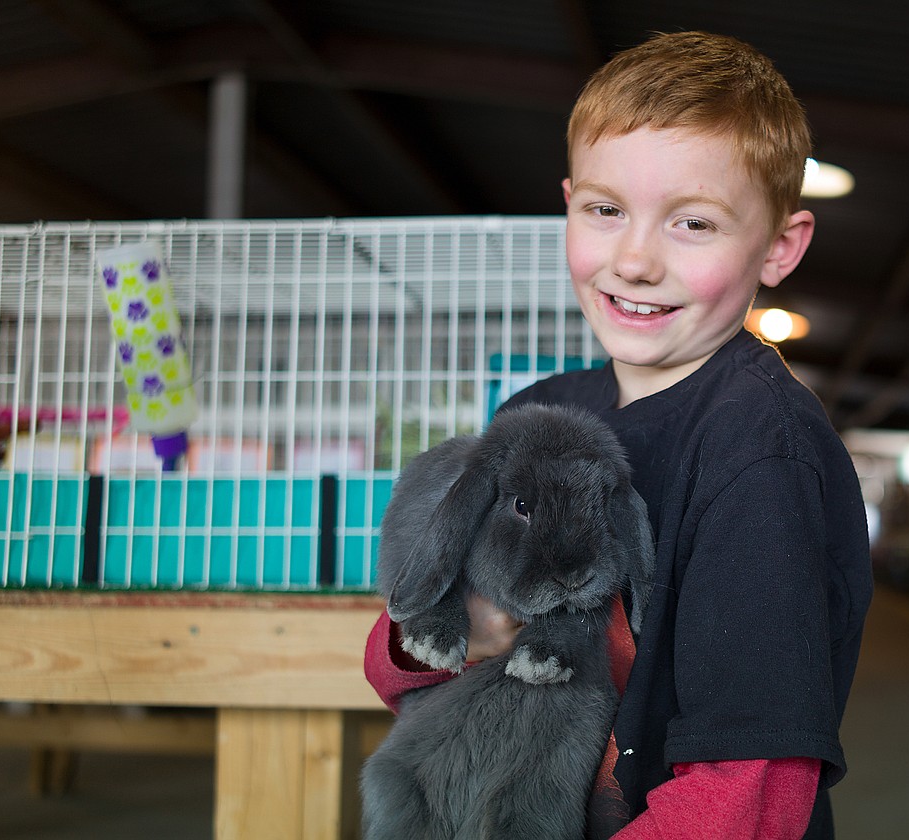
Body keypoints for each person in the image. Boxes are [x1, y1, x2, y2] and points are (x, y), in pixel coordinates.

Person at [364, 30, 873, 839]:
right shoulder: (537, 412)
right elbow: (406, 667)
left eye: (693, 224)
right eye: (605, 211)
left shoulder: (759, 452)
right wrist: (449, 630)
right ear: (568, 202)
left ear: (780, 246)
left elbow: (753, 788)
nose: (634, 261)